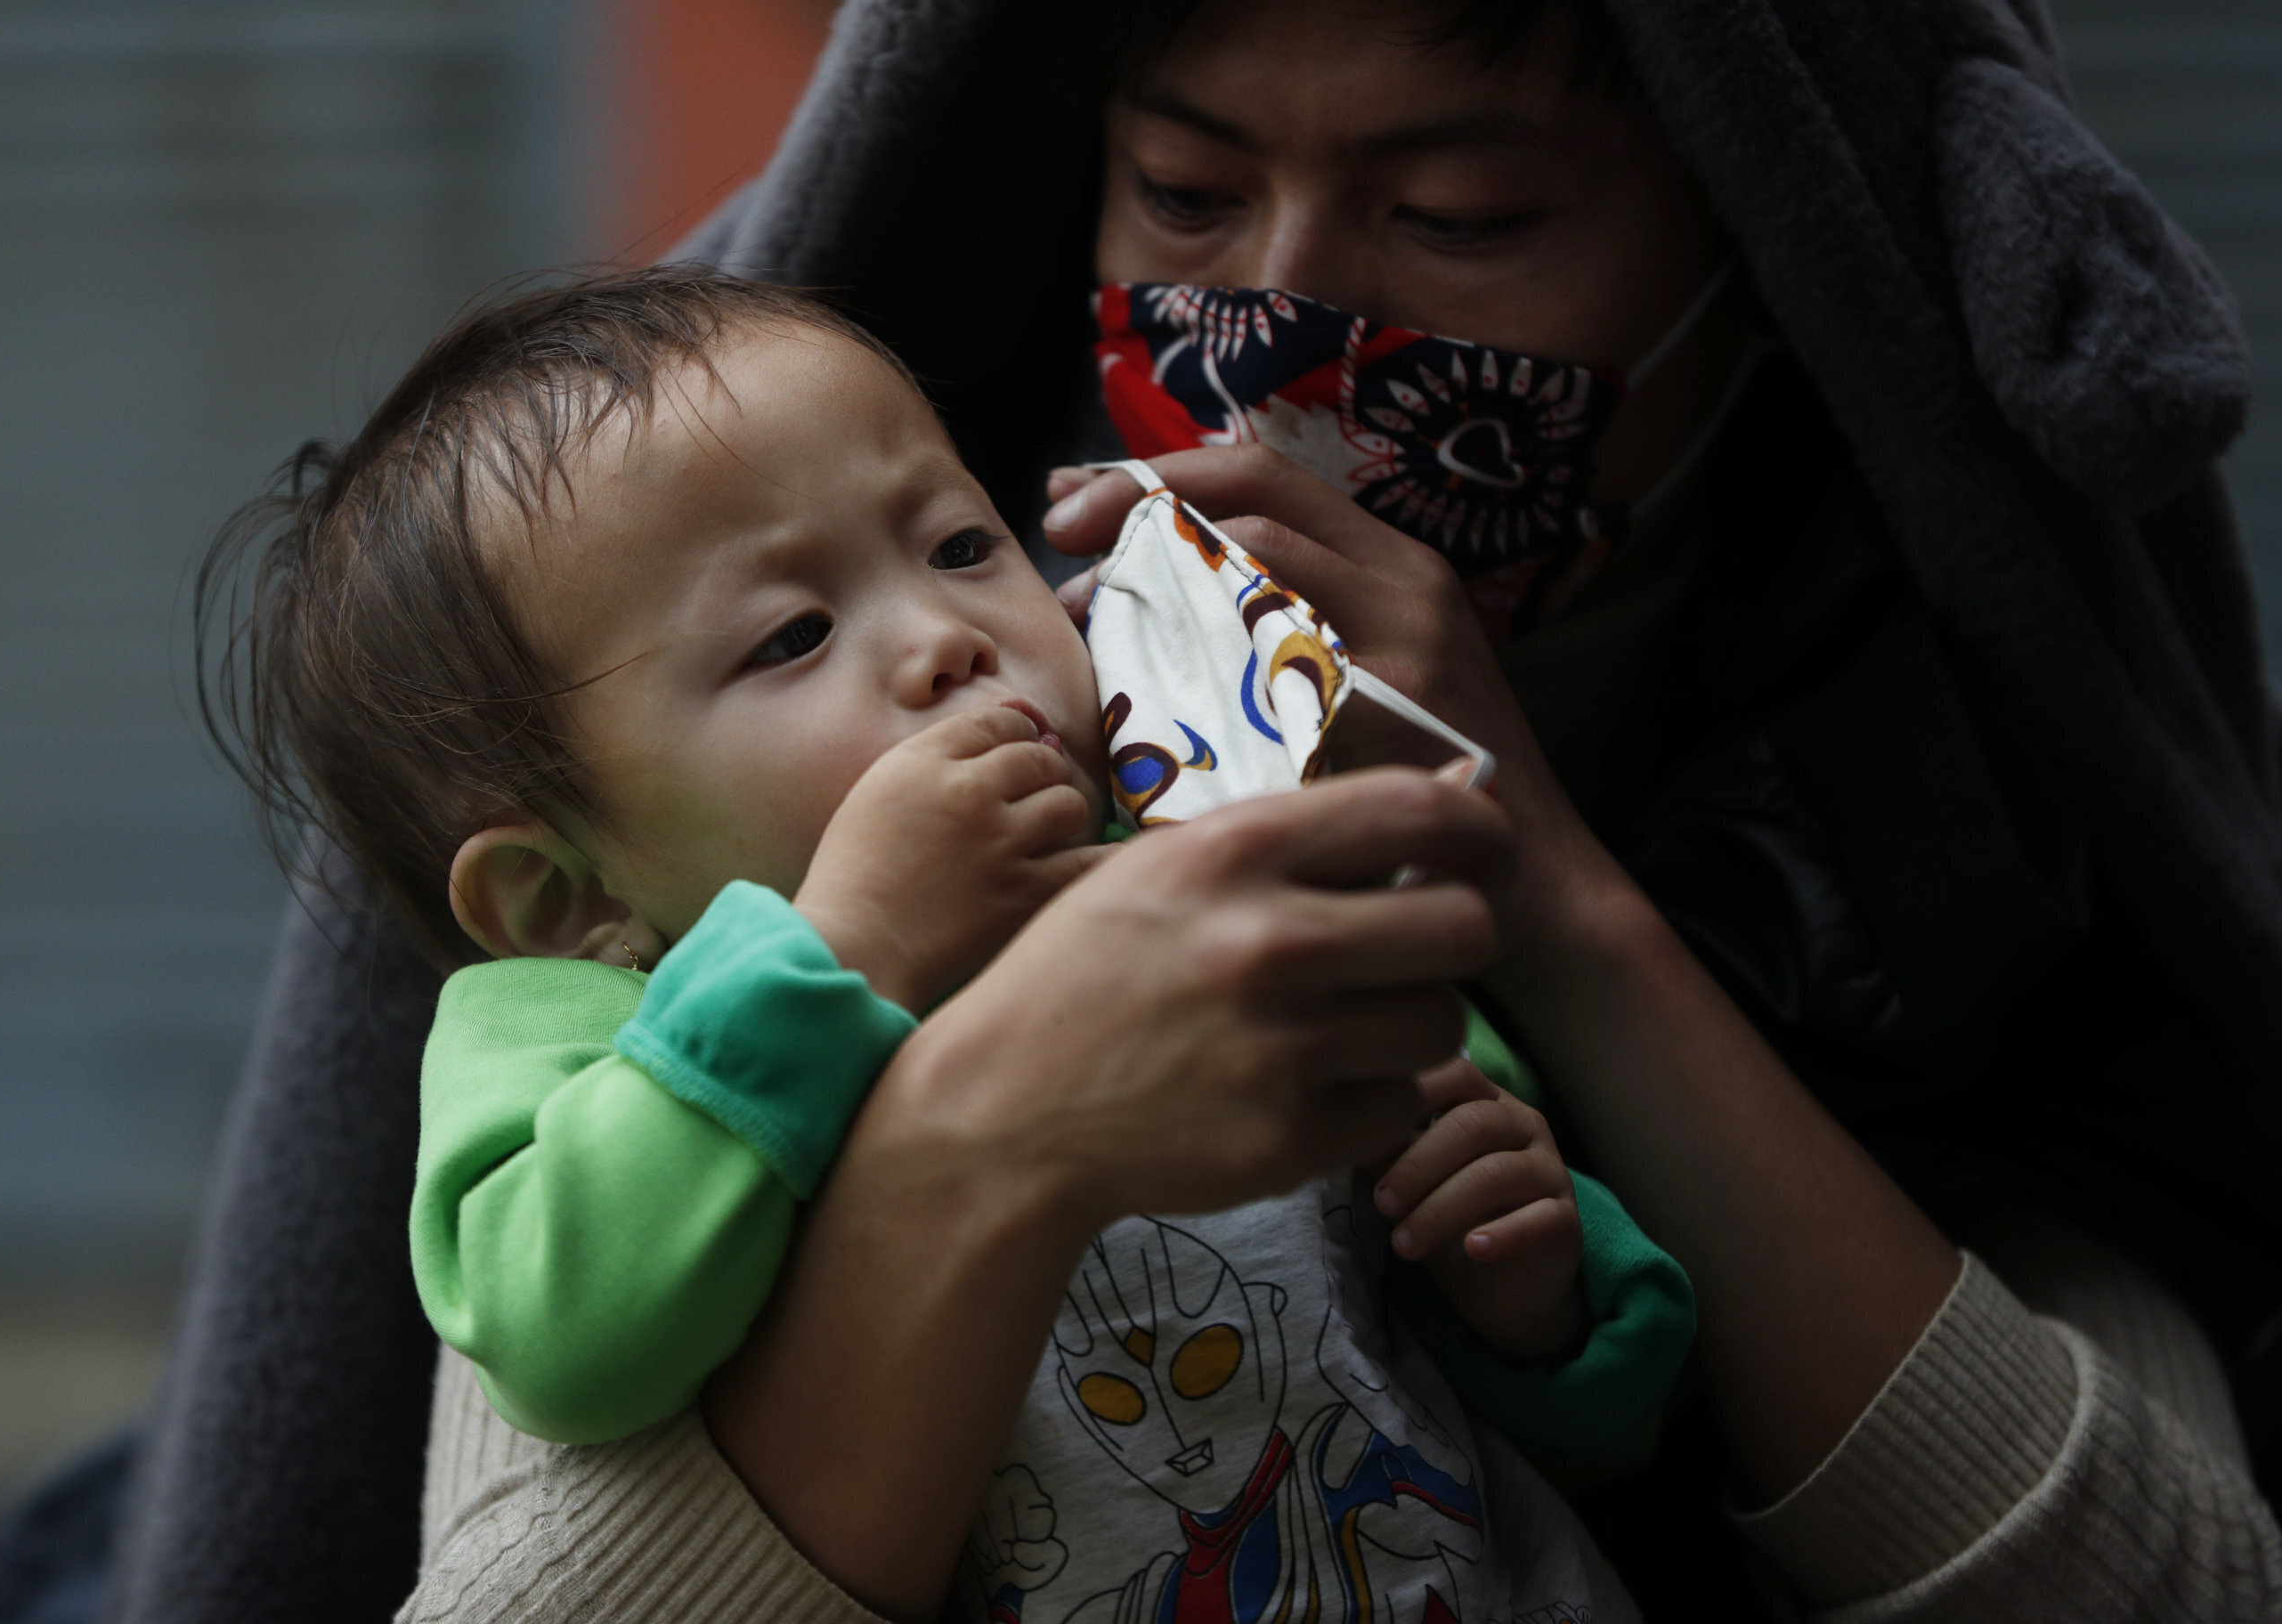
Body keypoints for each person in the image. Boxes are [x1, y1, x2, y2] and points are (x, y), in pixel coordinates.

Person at [381, 0, 2282, 1620]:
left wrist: (1538, 883)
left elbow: (2155, 1581)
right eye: (1191, 194)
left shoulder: (1961, 812)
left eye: (1461, 214)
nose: (1279, 315)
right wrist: (979, 1128)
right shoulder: (686, 712)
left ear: (1776, 248)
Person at [205, 264, 1695, 1621]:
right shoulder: (589, 1026)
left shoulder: (1198, 843)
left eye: (961, 541)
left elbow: (1587, 1402)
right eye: (792, 636)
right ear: (562, 897)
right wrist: (839, 948)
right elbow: (564, 1341)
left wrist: (1538, 1292)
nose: (946, 638)